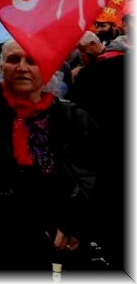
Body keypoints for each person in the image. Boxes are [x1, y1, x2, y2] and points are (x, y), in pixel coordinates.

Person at [0, 40, 102, 271]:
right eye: (13, 60)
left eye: (32, 61)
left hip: (51, 237)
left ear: (49, 69)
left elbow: (90, 177)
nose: (22, 67)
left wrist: (72, 223)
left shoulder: (73, 118)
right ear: (0, 67)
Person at [68, 32, 125, 269]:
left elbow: (77, 114)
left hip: (104, 154)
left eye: (82, 50)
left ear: (93, 44)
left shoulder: (88, 74)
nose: (80, 56)